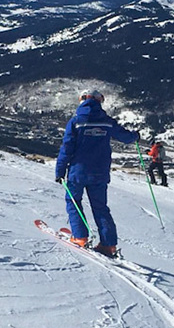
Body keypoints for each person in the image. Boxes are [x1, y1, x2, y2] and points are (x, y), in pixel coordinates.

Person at [55, 91, 141, 257]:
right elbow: (126, 137)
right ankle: (108, 244)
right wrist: (135, 136)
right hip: (99, 172)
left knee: (73, 201)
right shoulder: (106, 122)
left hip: (77, 171)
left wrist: (59, 171)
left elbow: (66, 148)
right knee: (100, 207)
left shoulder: (76, 122)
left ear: (82, 101)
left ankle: (80, 237)